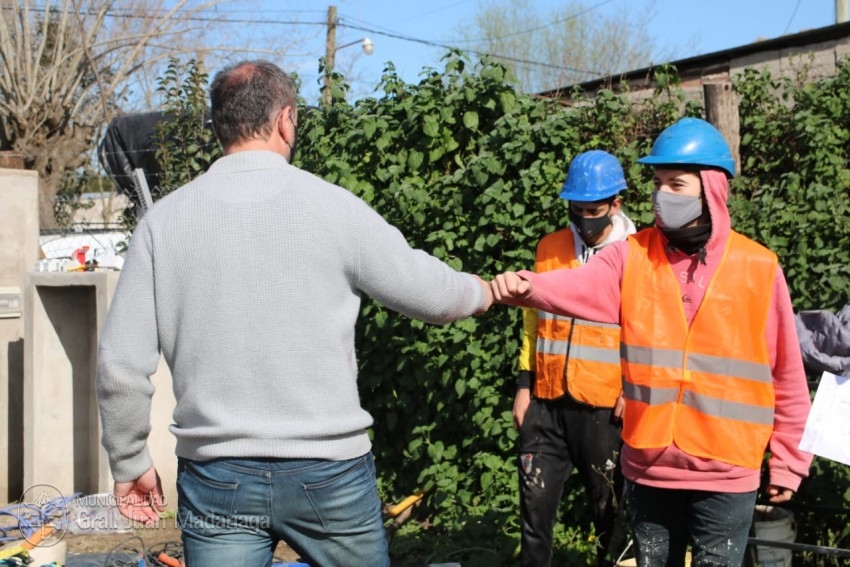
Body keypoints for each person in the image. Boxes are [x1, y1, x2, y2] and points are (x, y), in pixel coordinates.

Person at [96, 59, 492, 567]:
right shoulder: (334, 208)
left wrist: (129, 460)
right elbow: (429, 293)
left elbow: (120, 364)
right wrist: (482, 291)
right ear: (287, 119)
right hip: (329, 471)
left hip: (216, 475)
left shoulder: (163, 223)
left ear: (216, 127)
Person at [490, 118, 813, 567]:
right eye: (658, 183)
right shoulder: (632, 254)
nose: (663, 195)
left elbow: (787, 377)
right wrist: (526, 287)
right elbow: (579, 287)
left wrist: (789, 460)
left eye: (676, 184)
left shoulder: (758, 267)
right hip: (648, 468)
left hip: (726, 473)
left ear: (712, 190)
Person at [513, 150, 634, 567]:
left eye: (593, 210)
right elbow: (532, 322)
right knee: (534, 515)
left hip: (604, 410)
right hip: (546, 404)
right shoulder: (549, 247)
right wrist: (524, 387)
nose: (584, 218)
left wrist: (633, 391)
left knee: (612, 518)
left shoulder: (640, 256)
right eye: (576, 209)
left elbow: (651, 332)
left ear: (616, 204)